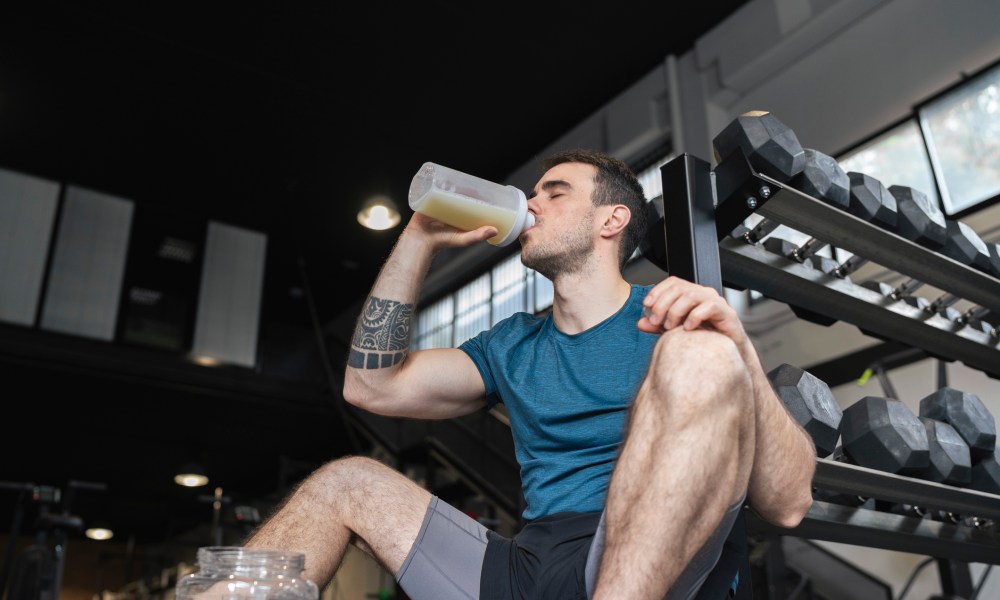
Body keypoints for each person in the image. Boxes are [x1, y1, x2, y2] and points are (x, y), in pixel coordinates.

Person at [241, 149, 817, 599]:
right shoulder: (511, 344)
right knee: (345, 482)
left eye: (554, 192)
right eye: (533, 193)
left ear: (612, 219)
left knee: (701, 353)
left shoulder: (675, 315)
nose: (530, 204)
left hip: (639, 555)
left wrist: (736, 348)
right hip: (529, 565)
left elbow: (788, 503)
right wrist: (418, 241)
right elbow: (368, 386)